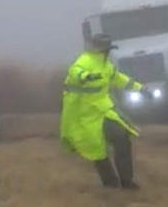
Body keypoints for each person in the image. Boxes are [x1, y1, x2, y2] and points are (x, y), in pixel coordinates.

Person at [59, 33, 153, 190]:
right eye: (105, 48)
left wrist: (140, 88)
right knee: (97, 149)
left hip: (103, 110)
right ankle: (110, 183)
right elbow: (75, 71)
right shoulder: (84, 60)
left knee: (122, 137)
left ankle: (126, 181)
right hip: (83, 115)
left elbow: (118, 78)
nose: (106, 51)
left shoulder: (106, 65)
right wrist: (85, 76)